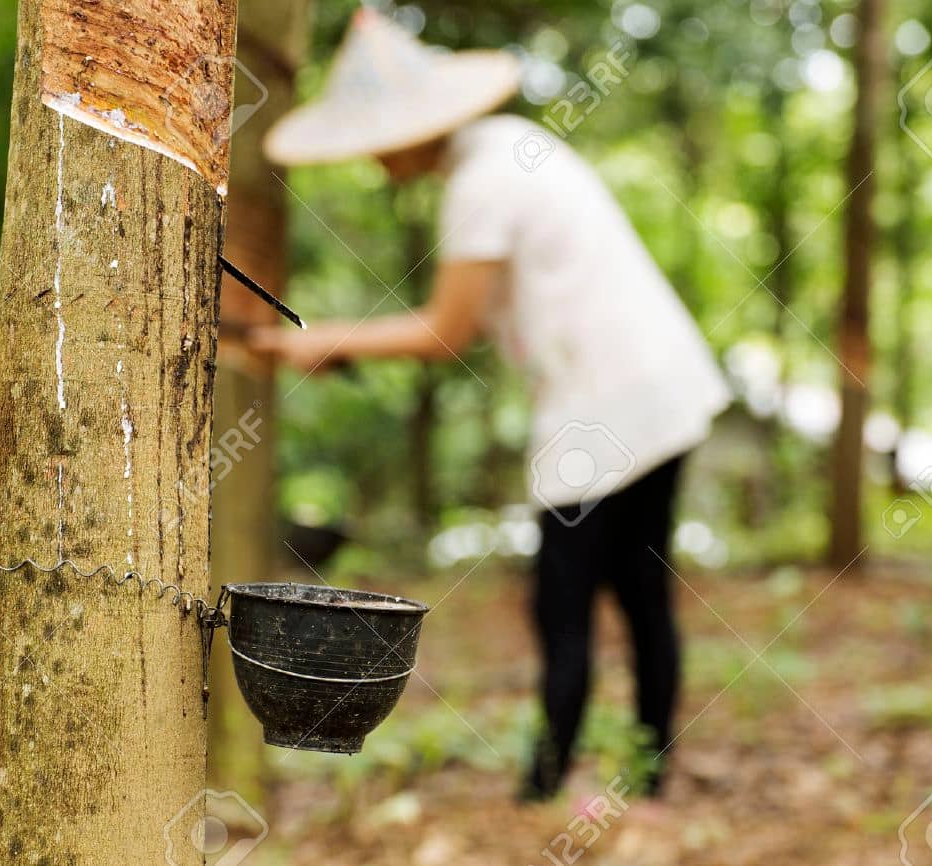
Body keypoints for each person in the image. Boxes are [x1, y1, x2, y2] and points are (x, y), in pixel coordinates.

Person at [251, 9, 731, 805]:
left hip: (607, 404)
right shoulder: (508, 151)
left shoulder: (483, 180)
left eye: (380, 138)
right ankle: (645, 779)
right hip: (659, 386)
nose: (375, 156)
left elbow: (446, 331)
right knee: (641, 595)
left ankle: (544, 789)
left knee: (564, 603)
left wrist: (324, 339)